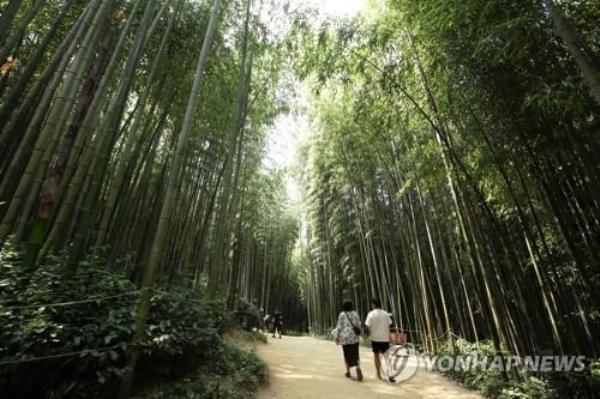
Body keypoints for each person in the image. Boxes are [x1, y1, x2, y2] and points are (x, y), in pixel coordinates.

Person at [365, 298, 394, 382]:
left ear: (373, 305)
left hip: (375, 338)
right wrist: (390, 336)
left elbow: (367, 326)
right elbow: (389, 326)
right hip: (385, 338)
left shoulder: (371, 314)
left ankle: (378, 374)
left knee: (376, 356)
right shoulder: (385, 314)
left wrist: (370, 333)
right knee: (387, 357)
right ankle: (390, 374)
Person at [333, 299, 363, 381]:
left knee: (346, 353)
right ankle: (357, 367)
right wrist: (360, 333)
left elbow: (339, 327)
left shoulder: (342, 314)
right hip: (354, 337)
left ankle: (348, 372)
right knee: (355, 353)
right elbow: (359, 324)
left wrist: (337, 337)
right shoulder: (355, 313)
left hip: (345, 337)